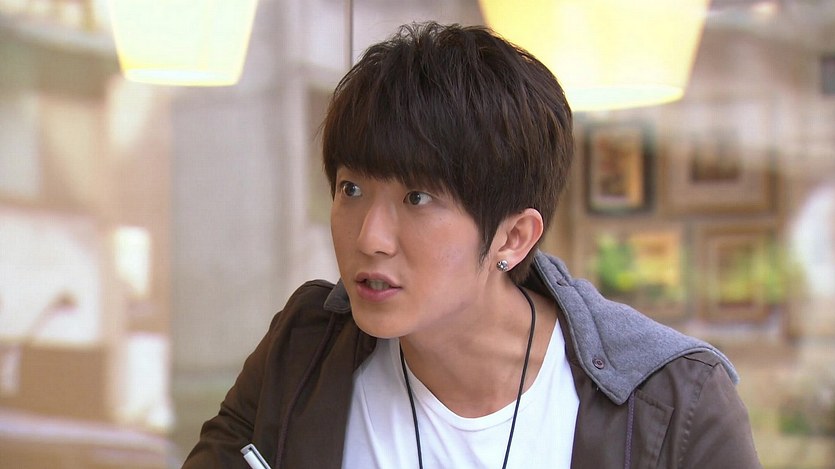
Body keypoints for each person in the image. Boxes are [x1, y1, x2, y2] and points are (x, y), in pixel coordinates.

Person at [182, 21, 761, 468]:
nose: (369, 237)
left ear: (514, 236)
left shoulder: (675, 401)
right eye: (351, 189)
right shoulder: (304, 349)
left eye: (416, 199)